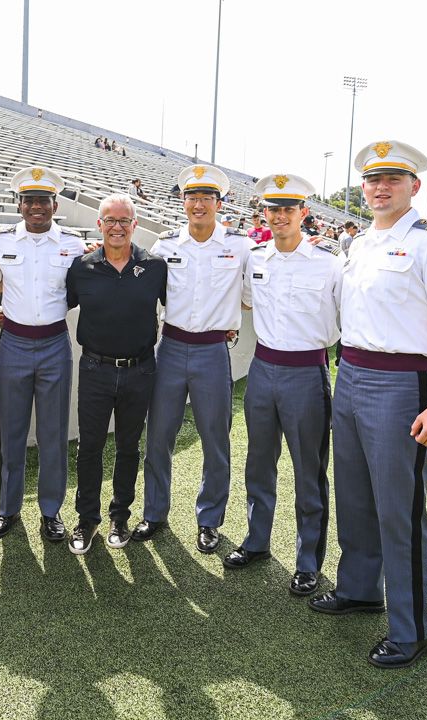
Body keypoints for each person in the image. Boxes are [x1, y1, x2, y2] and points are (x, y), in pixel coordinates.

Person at [308, 140, 427, 670]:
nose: (380, 188)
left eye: (393, 180)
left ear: (414, 187)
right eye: (373, 180)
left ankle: (411, 629)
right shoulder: (358, 242)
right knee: (355, 496)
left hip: (403, 385)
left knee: (399, 510)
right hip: (351, 375)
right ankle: (359, 588)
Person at [226, 173, 341, 596]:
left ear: (303, 213)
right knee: (259, 463)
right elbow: (243, 301)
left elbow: (346, 320)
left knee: (308, 470)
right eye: (273, 209)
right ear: (265, 214)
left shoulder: (329, 263)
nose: (279, 216)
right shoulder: (255, 259)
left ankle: (308, 561)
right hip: (263, 369)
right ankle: (257, 541)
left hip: (307, 373)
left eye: (288, 209)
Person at [135, 164, 248, 554]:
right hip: (170, 349)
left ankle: (210, 519)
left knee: (215, 439)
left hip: (214, 352)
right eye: (192, 197)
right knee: (159, 436)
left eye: (207, 197)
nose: (199, 204)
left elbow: (254, 293)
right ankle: (154, 512)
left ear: (219, 202)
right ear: (182, 202)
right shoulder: (164, 246)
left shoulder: (240, 246)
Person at [0, 167, 83, 542]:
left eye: (44, 200)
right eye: (30, 200)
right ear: (20, 205)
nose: (37, 207)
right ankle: (8, 509)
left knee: (53, 433)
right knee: (12, 430)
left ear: (55, 204)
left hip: (55, 344)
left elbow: (79, 289)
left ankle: (51, 511)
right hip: (14, 344)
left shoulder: (72, 244)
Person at [65, 194, 166, 554]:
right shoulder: (82, 266)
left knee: (128, 447)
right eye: (110, 220)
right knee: (89, 447)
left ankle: (119, 516)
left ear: (135, 225)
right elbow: (59, 300)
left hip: (140, 370)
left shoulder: (155, 266)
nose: (117, 227)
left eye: (124, 220)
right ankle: (86, 518)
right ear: (99, 225)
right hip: (95, 368)